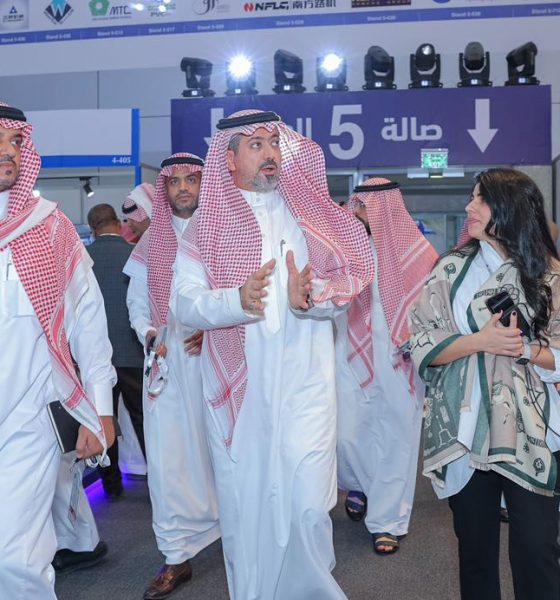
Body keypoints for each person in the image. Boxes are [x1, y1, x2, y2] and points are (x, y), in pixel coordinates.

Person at [171, 109, 374, 600]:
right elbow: (183, 302)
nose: (269, 153)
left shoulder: (311, 219)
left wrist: (314, 296)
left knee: (309, 505)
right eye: (256, 144)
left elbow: (344, 291)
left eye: (274, 143)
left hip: (307, 383)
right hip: (241, 393)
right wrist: (234, 300)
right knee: (248, 508)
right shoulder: (206, 226)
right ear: (230, 158)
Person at [409, 168, 560, 600]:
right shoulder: (450, 270)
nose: (468, 207)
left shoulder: (548, 276)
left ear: (509, 209)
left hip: (532, 430)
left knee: (537, 549)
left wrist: (524, 349)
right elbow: (421, 342)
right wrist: (481, 341)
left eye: (480, 199)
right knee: (475, 553)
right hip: (465, 429)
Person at [0, 103, 116, 600]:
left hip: (27, 418)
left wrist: (100, 410)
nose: (7, 151)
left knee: (15, 556)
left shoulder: (49, 227)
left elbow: (89, 324)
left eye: (15, 141)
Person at [124, 153, 220, 600]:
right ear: (163, 188)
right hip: (167, 360)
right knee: (167, 461)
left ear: (204, 184)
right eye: (174, 181)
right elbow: (136, 301)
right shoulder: (152, 241)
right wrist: (149, 334)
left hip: (219, 358)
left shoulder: (224, 232)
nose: (183, 187)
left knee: (225, 452)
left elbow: (244, 294)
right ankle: (176, 555)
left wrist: (214, 326)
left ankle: (238, 532)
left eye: (191, 179)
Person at [335, 178, 438, 554]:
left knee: (396, 437)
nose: (357, 212)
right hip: (349, 353)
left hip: (399, 358)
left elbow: (433, 308)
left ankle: (388, 521)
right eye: (356, 205)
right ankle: (361, 485)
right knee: (348, 434)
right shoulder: (346, 250)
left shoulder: (419, 254)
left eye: (364, 206)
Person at [87, 203, 146, 499]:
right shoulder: (136, 254)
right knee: (144, 420)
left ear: (93, 228)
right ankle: (159, 482)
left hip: (97, 358)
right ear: (117, 222)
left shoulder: (83, 257)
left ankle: (111, 486)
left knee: (103, 419)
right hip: (133, 352)